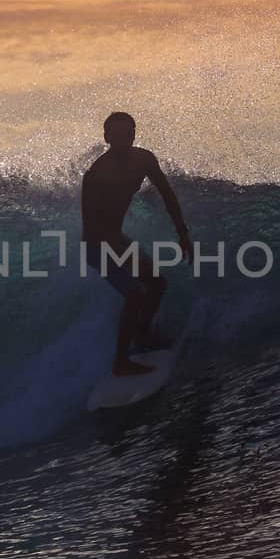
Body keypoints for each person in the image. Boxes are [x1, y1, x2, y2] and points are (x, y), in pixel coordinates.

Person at [82, 111, 191, 377]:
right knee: (134, 293)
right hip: (97, 245)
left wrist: (182, 232)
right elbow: (91, 225)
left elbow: (167, 194)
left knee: (157, 283)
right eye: (117, 135)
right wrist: (117, 251)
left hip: (117, 239)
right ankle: (121, 362)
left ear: (134, 134)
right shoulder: (96, 174)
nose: (124, 139)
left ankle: (141, 335)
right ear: (107, 137)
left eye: (128, 133)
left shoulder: (144, 159)